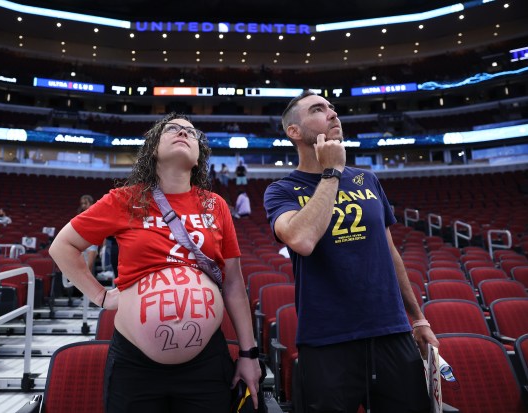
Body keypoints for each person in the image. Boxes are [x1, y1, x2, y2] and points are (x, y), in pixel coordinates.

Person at [50, 113, 261, 413]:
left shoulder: (215, 205)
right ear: (152, 150)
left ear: (199, 158)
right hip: (135, 364)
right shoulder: (124, 200)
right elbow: (63, 246)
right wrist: (101, 296)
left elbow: (234, 285)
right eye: (172, 129)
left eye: (191, 132)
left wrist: (249, 354)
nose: (183, 133)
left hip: (206, 363)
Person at [263, 90, 438, 413]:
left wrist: (418, 318)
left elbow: (390, 253)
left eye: (333, 108)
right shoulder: (281, 191)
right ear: (294, 132)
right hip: (328, 339)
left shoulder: (367, 180)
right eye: (318, 109)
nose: (333, 114)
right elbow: (301, 239)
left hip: (391, 332)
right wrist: (331, 172)